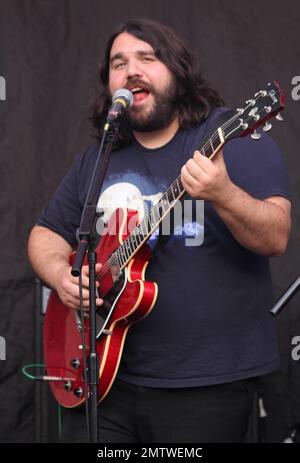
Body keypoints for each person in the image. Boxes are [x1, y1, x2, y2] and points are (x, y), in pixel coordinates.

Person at [28, 18, 292, 443]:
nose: (131, 70)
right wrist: (62, 275)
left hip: (206, 385)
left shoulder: (232, 137)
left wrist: (222, 192)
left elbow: (275, 236)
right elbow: (45, 235)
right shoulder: (99, 158)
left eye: (146, 58)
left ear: (178, 70)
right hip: (104, 378)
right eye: (118, 63)